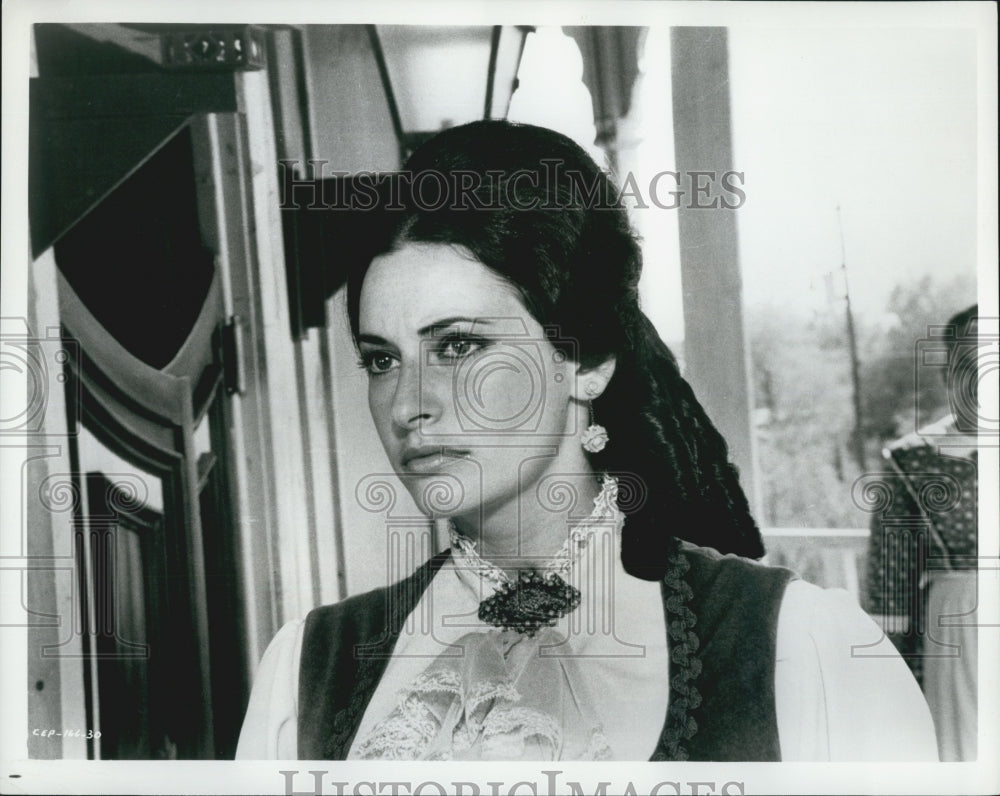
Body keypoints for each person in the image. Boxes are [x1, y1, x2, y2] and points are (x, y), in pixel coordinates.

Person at [236, 120, 937, 761]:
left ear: (589, 360)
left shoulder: (801, 652)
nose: (409, 405)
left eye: (458, 345)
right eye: (381, 360)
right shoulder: (307, 669)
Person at [864, 305, 980, 761]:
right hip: (961, 622)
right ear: (949, 374)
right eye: (967, 366)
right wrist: (893, 667)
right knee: (965, 752)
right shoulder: (913, 460)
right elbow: (891, 578)